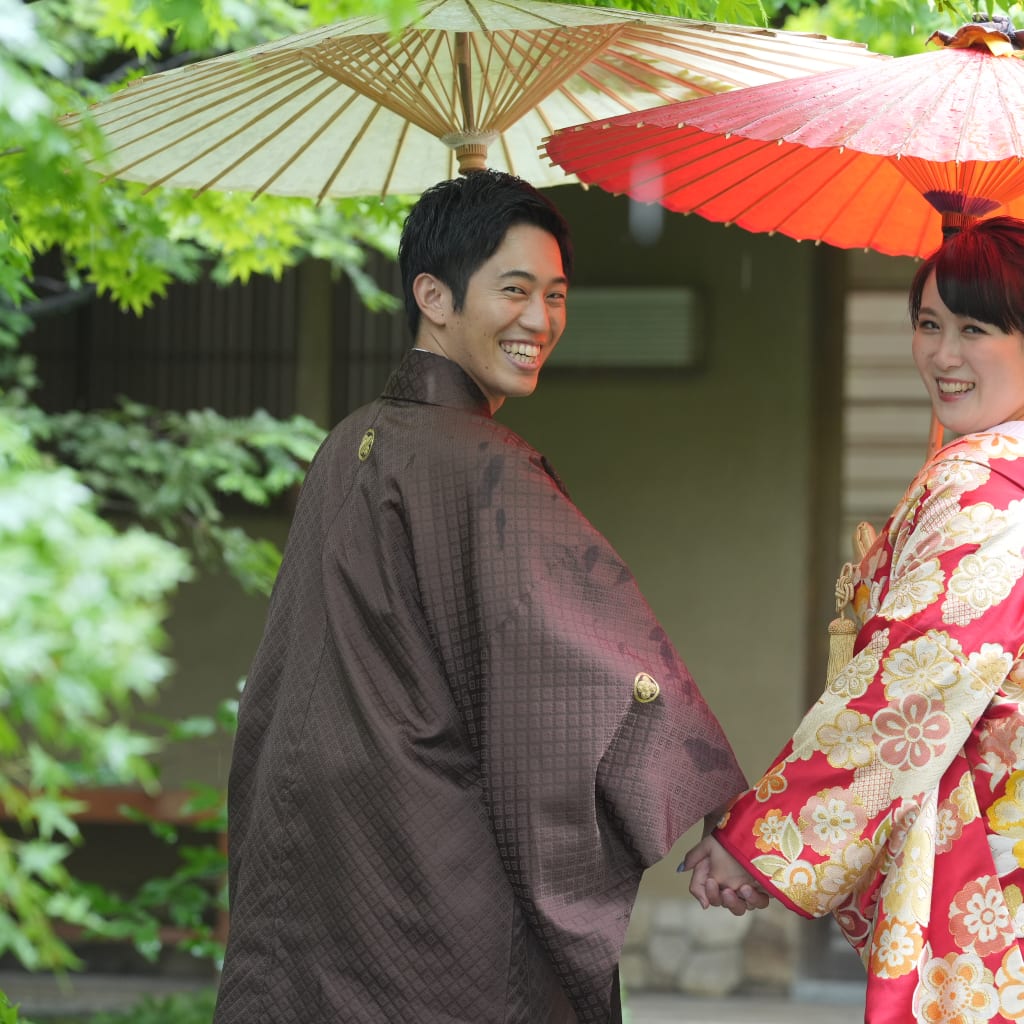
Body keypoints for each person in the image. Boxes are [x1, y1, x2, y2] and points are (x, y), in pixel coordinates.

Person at [213, 169, 746, 1024]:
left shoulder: (349, 441)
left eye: (556, 294)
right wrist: (725, 811)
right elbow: (587, 668)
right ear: (433, 294)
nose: (540, 320)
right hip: (423, 885)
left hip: (316, 869)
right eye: (514, 290)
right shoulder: (483, 464)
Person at [684, 215, 1024, 1023]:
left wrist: (759, 841)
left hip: (993, 851)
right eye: (928, 325)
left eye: (975, 329)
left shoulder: (987, 489)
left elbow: (907, 688)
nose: (942, 355)